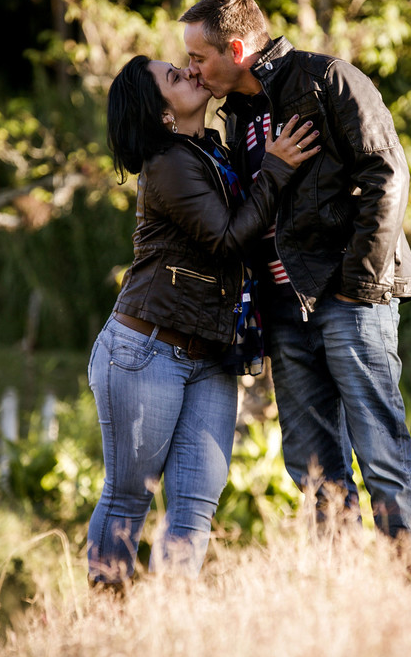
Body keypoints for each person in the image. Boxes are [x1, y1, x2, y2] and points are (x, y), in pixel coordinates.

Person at [179, 0, 411, 563]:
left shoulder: (328, 79)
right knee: (313, 467)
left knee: (381, 455)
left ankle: (406, 598)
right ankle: (342, 600)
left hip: (350, 299)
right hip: (283, 312)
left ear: (236, 49)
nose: (192, 69)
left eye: (198, 58)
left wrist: (358, 285)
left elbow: (387, 178)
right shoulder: (235, 116)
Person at [86, 53, 319, 588]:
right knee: (128, 499)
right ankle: (102, 628)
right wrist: (278, 170)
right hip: (146, 351)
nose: (190, 71)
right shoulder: (169, 163)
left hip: (213, 355)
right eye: (175, 76)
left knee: (194, 509)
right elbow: (227, 236)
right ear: (161, 112)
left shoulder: (212, 150)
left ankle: (172, 629)